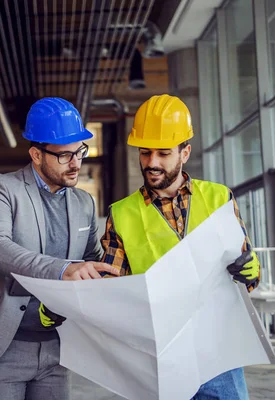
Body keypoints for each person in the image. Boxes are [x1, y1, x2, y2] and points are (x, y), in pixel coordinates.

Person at [0, 97, 119, 400]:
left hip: (57, 348)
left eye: (80, 152)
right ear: (36, 154)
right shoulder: (1, 188)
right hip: (2, 344)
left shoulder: (84, 203)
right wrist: (62, 269)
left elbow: (91, 261)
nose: (76, 163)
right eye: (64, 155)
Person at [99, 94, 261, 399]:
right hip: (161, 353)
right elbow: (112, 288)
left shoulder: (218, 198)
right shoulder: (121, 213)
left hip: (219, 352)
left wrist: (251, 271)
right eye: (145, 153)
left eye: (163, 153)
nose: (152, 163)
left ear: (184, 152)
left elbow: (246, 270)